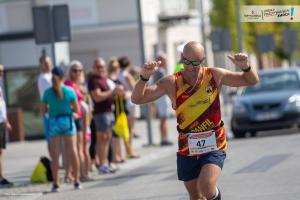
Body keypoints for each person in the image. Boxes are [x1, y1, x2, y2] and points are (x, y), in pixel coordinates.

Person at [131, 41, 259, 200]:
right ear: (181, 57)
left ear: (203, 59)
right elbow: (137, 99)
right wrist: (144, 77)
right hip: (187, 145)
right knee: (195, 195)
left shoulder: (214, 75)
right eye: (186, 61)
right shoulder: (171, 82)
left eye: (195, 63)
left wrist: (245, 66)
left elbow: (251, 81)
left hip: (214, 142)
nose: (190, 67)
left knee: (206, 186)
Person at [42, 67, 81, 192]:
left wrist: (52, 111)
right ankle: (76, 181)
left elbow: (43, 111)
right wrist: (72, 113)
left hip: (54, 122)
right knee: (73, 151)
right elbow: (77, 110)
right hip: (67, 121)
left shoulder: (47, 92)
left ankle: (55, 184)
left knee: (55, 154)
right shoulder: (69, 90)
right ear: (63, 77)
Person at [88, 58, 124, 174]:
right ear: (94, 68)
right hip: (100, 112)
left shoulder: (104, 79)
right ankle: (102, 164)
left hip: (109, 111)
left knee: (108, 137)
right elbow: (97, 97)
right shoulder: (93, 80)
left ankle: (106, 162)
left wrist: (116, 93)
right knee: (101, 139)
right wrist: (113, 91)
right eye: (98, 67)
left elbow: (108, 95)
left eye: (102, 66)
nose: (101, 69)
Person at [152, 52, 173, 146]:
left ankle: (164, 137)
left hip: (163, 97)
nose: (166, 61)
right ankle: (164, 138)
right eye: (165, 59)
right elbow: (164, 85)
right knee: (163, 118)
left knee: (164, 118)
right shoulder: (160, 71)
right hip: (162, 97)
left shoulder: (161, 70)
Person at [0, 64, 13, 188]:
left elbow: (2, 105)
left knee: (0, 152)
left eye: (3, 71)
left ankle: (1, 177)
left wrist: (7, 120)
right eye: (0, 71)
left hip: (2, 122)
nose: (1, 73)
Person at [37, 55, 53, 156]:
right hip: (49, 113)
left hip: (54, 111)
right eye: (45, 63)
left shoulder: (51, 75)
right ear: (41, 65)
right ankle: (53, 159)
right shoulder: (43, 78)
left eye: (49, 62)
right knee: (51, 139)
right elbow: (45, 98)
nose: (48, 65)